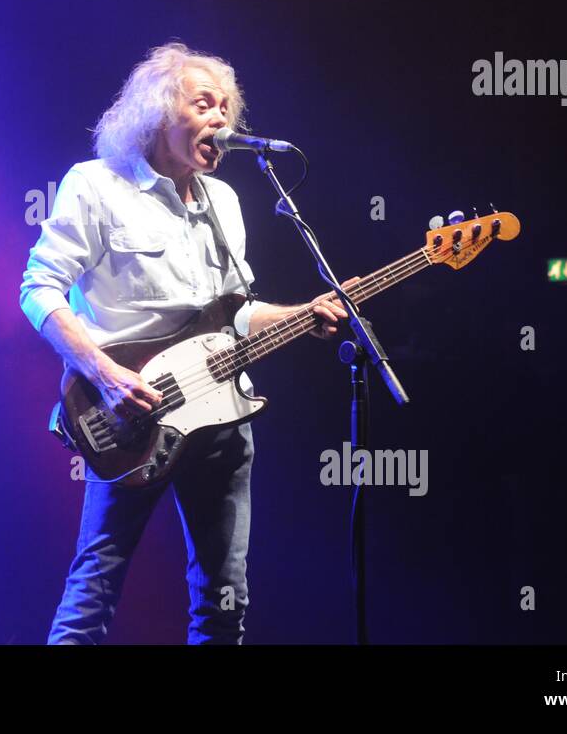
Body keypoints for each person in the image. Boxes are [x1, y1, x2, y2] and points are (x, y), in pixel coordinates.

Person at [20, 42, 350, 644]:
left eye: (228, 107)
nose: (222, 118)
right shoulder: (96, 185)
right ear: (157, 112)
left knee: (225, 598)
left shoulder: (224, 200)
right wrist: (105, 375)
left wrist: (304, 314)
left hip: (224, 413)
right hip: (129, 412)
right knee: (95, 587)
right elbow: (38, 289)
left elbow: (237, 313)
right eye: (205, 103)